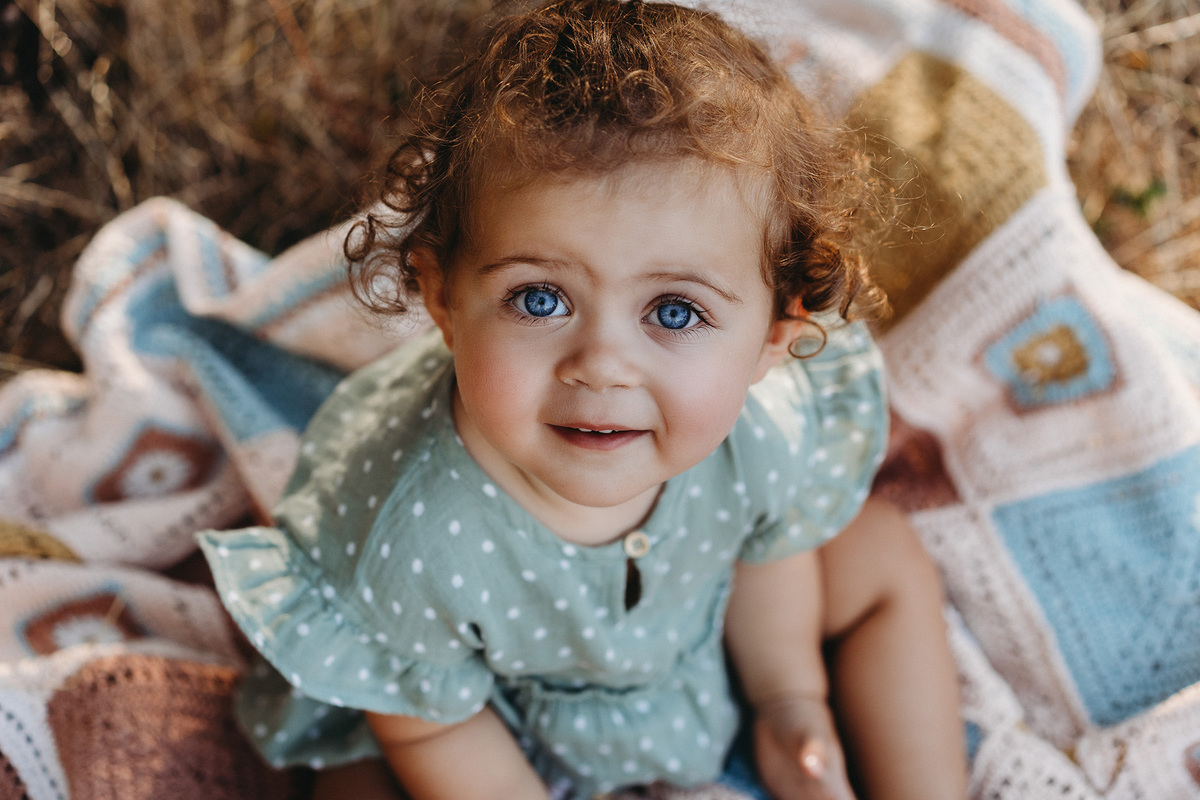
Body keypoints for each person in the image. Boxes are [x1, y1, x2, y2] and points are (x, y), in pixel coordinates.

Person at [198, 1, 968, 798]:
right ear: (443, 298)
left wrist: (788, 698)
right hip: (484, 720)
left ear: (773, 337)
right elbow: (432, 725)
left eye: (675, 312)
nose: (601, 367)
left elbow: (766, 546)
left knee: (884, 559)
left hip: (696, 628)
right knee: (357, 782)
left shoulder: (755, 426)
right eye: (539, 299)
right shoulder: (415, 535)